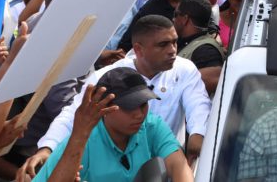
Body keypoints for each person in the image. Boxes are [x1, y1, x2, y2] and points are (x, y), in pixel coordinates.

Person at [22, 16, 210, 179]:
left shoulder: (154, 125)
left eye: (175, 42)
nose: (172, 50)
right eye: (163, 44)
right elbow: (74, 115)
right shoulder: (105, 79)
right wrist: (48, 148)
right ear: (138, 49)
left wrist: (198, 135)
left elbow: (198, 106)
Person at [32, 69, 192, 182]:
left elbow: (179, 166)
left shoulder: (152, 125)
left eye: (143, 104)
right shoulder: (81, 141)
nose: (139, 114)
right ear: (104, 109)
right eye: (129, 106)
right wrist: (79, 134)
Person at [174, 0, 225, 95]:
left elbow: (213, 80)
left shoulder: (206, 50)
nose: (173, 19)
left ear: (185, 19)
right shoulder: (181, 41)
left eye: (176, 14)